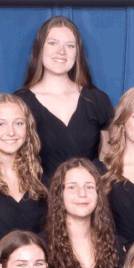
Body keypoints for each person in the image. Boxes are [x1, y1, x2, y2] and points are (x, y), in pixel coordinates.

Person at [18, 15, 114, 176]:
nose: (61, 51)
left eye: (70, 45)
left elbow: (109, 157)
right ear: (39, 48)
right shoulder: (20, 102)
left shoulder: (97, 100)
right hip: (39, 191)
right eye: (53, 43)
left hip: (89, 190)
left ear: (77, 53)